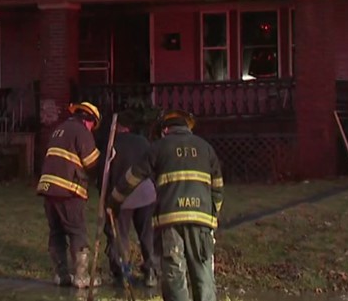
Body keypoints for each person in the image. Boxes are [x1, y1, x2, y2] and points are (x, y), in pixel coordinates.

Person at [110, 109, 223, 301]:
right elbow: (218, 188)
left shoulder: (158, 148)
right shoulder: (206, 148)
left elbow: (133, 176)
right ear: (187, 127)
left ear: (165, 130)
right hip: (202, 220)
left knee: (174, 272)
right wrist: (213, 216)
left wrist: (115, 199)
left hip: (171, 219)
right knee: (203, 270)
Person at [37, 101, 102, 288]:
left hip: (48, 189)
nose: (92, 129)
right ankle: (81, 277)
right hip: (68, 191)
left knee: (56, 231)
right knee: (77, 231)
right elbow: (92, 163)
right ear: (89, 120)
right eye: (93, 126)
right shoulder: (82, 132)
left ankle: (61, 275)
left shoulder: (59, 129)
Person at [103, 115, 159, 288]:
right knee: (147, 233)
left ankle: (122, 273)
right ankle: (151, 273)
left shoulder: (111, 144)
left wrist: (106, 200)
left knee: (120, 235)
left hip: (122, 196)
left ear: (117, 127)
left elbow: (104, 174)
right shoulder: (142, 142)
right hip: (147, 193)